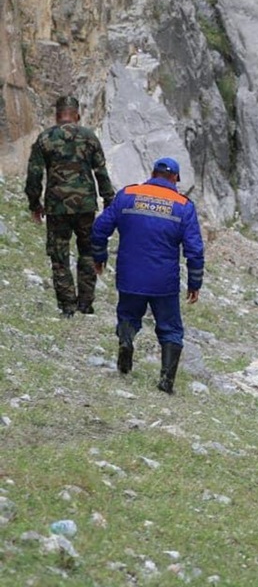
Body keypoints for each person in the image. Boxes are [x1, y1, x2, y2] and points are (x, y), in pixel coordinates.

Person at [91, 157, 204, 394]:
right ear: (175, 178)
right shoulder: (183, 206)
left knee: (129, 316)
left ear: (152, 173)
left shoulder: (128, 194)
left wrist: (99, 256)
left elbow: (100, 228)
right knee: (170, 329)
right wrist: (195, 283)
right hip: (164, 281)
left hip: (130, 275)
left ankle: (126, 340)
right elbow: (194, 250)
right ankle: (166, 381)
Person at [25, 95, 116, 317]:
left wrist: (34, 204)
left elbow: (34, 175)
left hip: (57, 207)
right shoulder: (89, 137)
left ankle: (67, 306)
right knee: (87, 252)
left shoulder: (45, 139)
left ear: (57, 115)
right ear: (77, 115)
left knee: (59, 256)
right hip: (85, 206)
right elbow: (101, 172)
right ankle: (85, 303)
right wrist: (109, 201)